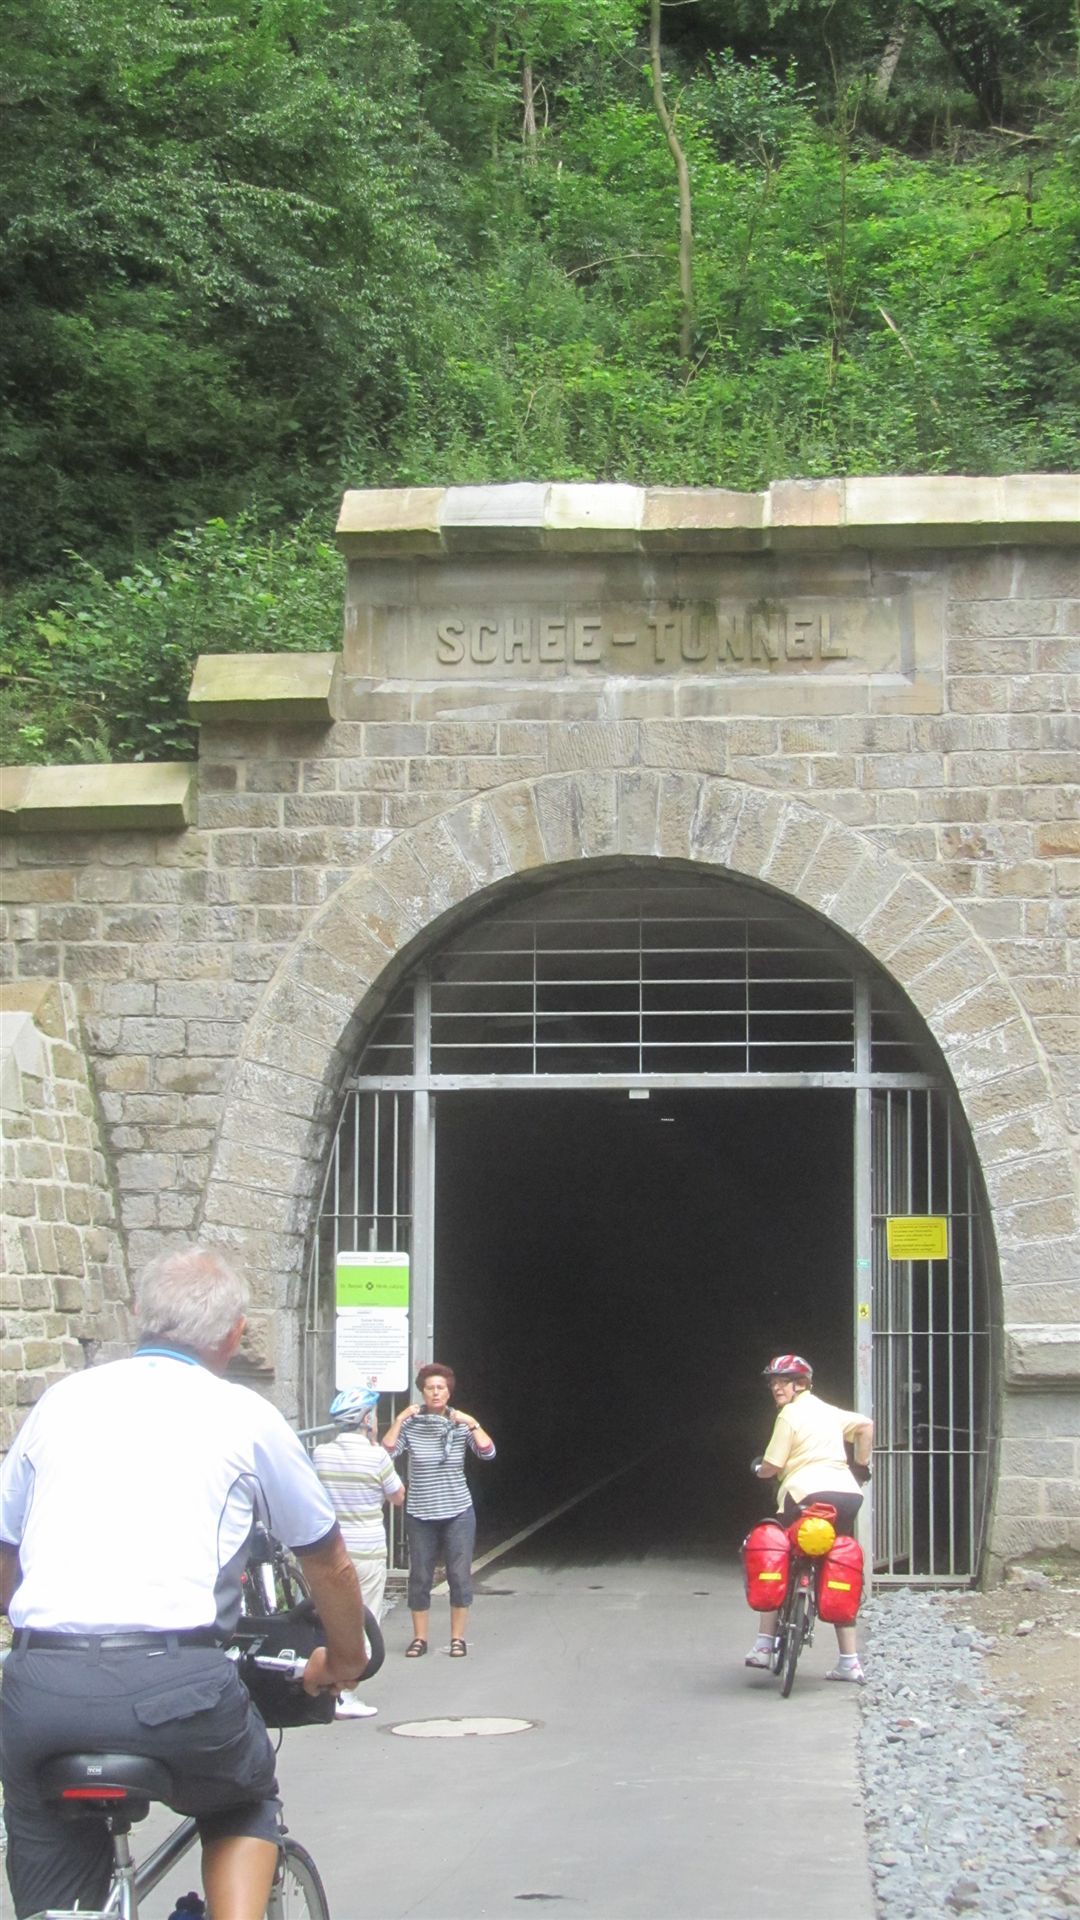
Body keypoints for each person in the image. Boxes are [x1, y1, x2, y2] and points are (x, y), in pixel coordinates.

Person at [0, 1246, 369, 1920]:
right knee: (241, 1798)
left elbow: (7, 1550)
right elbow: (327, 1560)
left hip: (40, 1690)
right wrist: (345, 1659)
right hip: (176, 1687)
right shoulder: (246, 1416)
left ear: (137, 1313)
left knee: (42, 1828)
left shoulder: (59, 1404)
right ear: (235, 1334)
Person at [746, 1352, 873, 1683]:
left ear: (801, 1384)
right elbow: (866, 1426)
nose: (776, 1388)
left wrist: (759, 1469)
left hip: (805, 1493)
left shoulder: (789, 1415)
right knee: (837, 1562)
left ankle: (763, 1645)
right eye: (773, 1382)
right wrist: (859, 1468)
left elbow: (773, 1465)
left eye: (784, 1382)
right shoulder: (829, 1411)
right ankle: (850, 1662)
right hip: (847, 1496)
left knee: (779, 1553)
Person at [381, 1363, 494, 1659]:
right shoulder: (412, 1425)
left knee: (459, 1575)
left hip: (458, 1511)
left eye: (440, 1388)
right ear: (422, 1392)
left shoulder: (459, 1424)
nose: (435, 1392)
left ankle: (458, 1639)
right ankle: (419, 1638)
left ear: (448, 1392)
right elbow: (387, 1451)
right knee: (420, 1576)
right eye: (430, 1388)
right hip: (420, 1512)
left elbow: (488, 1452)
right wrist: (400, 1418)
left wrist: (473, 1423)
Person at [312, 1386, 404, 1719]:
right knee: (364, 1620)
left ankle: (325, 1689)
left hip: (330, 1549)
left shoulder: (321, 1454)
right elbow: (397, 1496)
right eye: (374, 1415)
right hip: (367, 1550)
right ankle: (346, 1694)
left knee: (329, 1618)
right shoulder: (376, 1456)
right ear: (365, 1419)